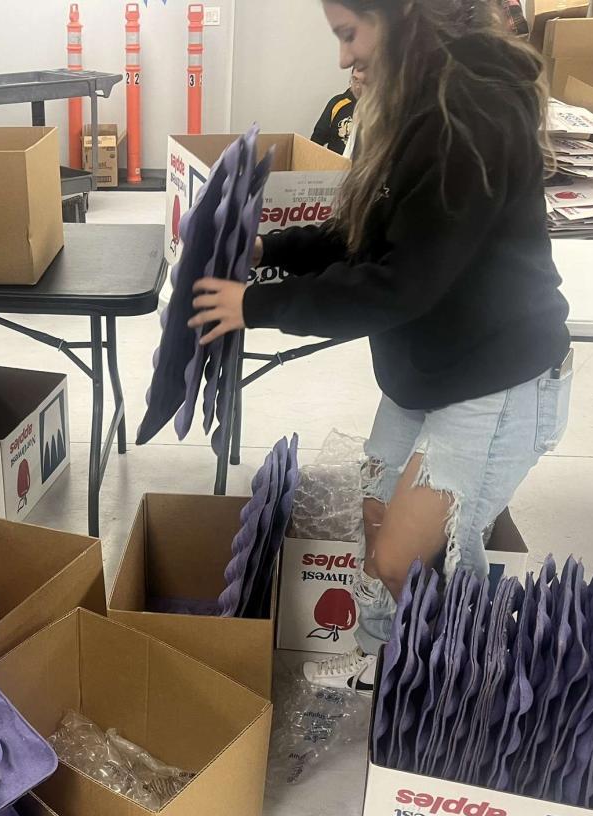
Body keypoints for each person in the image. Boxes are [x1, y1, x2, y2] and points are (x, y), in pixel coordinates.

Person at [190, 0, 572, 693]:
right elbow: (366, 234)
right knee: (374, 518)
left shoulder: (471, 117)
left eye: (348, 34)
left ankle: (473, 693)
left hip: (497, 374)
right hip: (430, 365)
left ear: (402, 15)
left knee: (402, 560)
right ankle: (386, 667)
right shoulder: (412, 101)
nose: (343, 57)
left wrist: (257, 305)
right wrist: (270, 250)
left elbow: (398, 284)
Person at [310, 69, 364, 155]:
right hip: (335, 162)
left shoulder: (381, 109)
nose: (357, 86)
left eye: (363, 81)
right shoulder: (337, 103)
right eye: (355, 80)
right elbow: (317, 139)